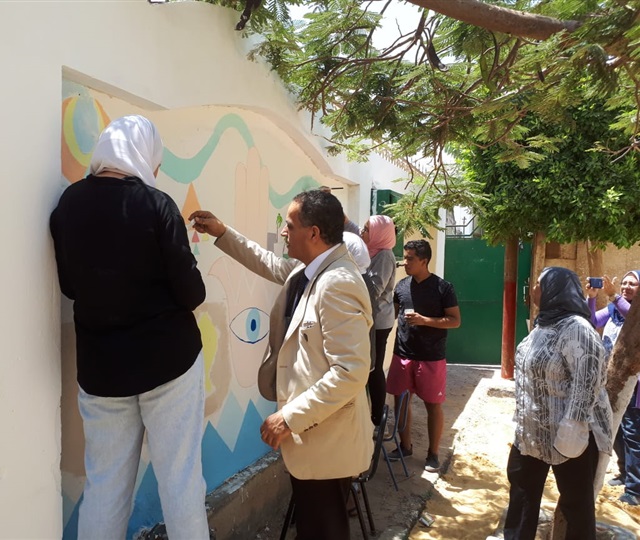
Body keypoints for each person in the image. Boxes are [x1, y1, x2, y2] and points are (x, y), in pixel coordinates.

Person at [49, 115, 209, 540]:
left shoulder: (68, 205)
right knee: (180, 483)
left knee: (105, 488)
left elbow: (69, 287)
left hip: (102, 371)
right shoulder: (157, 205)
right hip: (169, 364)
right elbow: (192, 293)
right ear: (143, 153)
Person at [189, 190, 374, 540]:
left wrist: (289, 417)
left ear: (313, 233)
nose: (284, 231)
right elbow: (269, 263)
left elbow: (350, 372)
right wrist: (223, 232)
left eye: (290, 225)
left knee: (323, 530)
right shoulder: (310, 270)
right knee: (314, 526)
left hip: (328, 441)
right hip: (314, 437)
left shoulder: (337, 283)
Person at [503, 267, 612, 539]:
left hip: (571, 437)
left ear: (553, 289)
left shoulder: (577, 329)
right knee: (521, 497)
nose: (534, 289)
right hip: (532, 435)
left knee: (577, 507)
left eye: (538, 284)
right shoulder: (542, 325)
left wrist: (571, 433)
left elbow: (586, 383)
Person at [385, 239, 460, 472]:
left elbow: (455, 321)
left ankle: (433, 454)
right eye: (405, 257)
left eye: (410, 259)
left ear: (424, 261)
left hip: (431, 356)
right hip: (402, 353)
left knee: (433, 405)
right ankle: (405, 446)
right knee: (401, 401)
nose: (405, 262)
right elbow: (391, 315)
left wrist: (425, 320)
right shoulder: (401, 287)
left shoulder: (443, 288)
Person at [586, 270, 640, 504]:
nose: (626, 287)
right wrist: (592, 298)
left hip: (633, 386)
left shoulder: (630, 310)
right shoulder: (613, 310)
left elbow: (634, 318)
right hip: (611, 381)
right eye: (624, 283)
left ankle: (635, 489)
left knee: (632, 434)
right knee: (613, 431)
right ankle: (624, 472)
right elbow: (590, 322)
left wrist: (614, 295)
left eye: (632, 284)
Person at [360, 215, 397, 426]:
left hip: (379, 321)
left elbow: (374, 290)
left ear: (378, 234)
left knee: (374, 367)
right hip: (372, 318)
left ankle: (377, 417)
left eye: (366, 229)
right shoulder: (372, 251)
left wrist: (356, 273)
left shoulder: (383, 256)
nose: (362, 232)